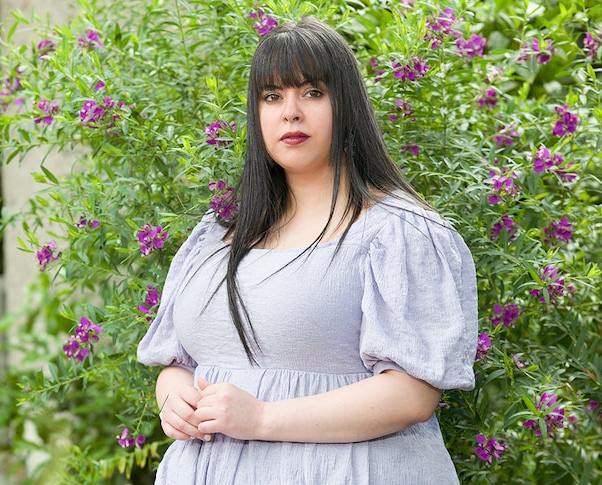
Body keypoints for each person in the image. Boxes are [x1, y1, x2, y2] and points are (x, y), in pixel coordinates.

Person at [136, 16, 478, 485]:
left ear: (347, 106)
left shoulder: (398, 233)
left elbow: (412, 395)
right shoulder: (218, 235)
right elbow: (178, 363)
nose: (290, 112)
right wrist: (175, 400)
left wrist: (260, 419)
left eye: (312, 92)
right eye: (272, 96)